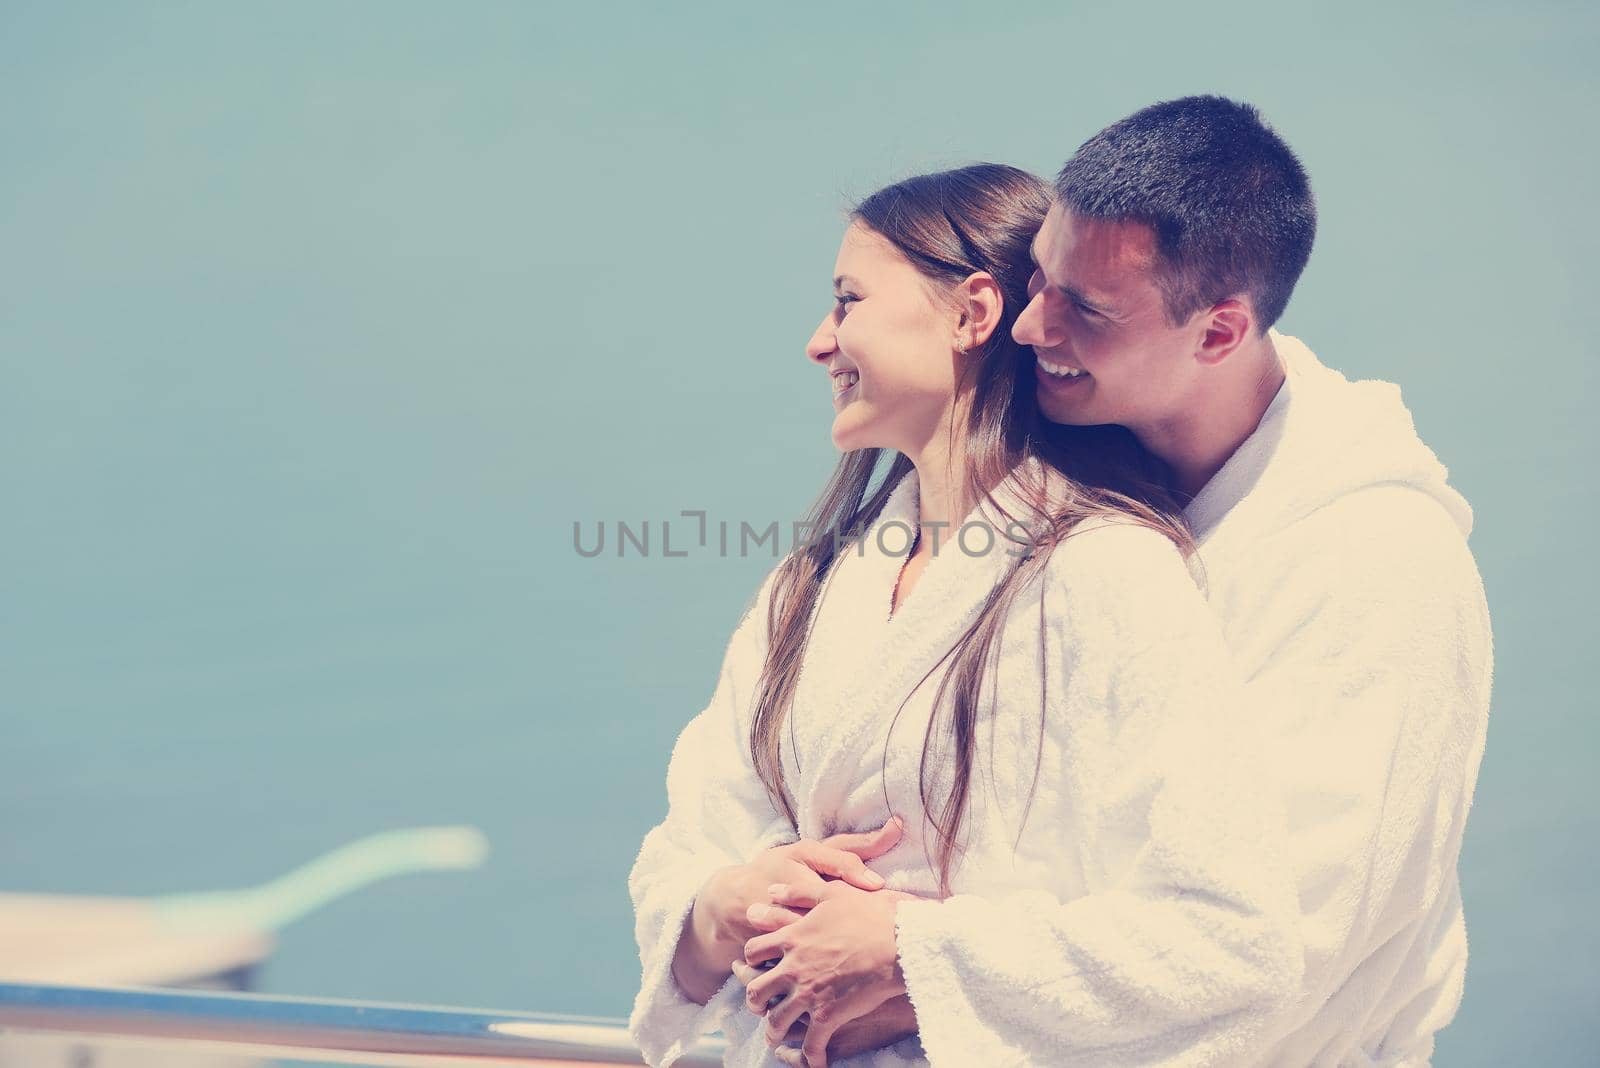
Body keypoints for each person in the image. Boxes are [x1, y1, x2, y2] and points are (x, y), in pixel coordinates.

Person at [628, 164, 1307, 1068]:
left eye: (847, 300)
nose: (819, 342)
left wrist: (915, 954)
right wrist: (727, 905)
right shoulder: (809, 587)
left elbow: (1233, 935)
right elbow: (689, 838)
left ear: (971, 313)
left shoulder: (1106, 573)